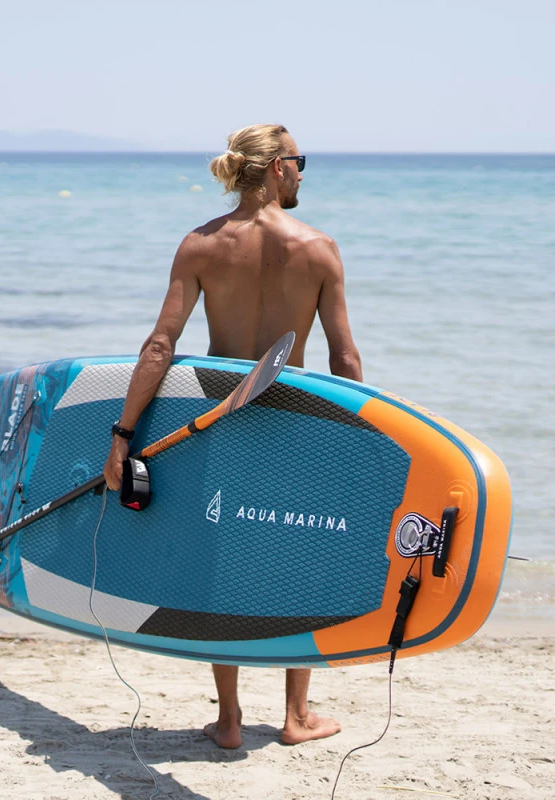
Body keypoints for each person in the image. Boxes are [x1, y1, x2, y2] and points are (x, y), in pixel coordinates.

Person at [103, 123, 362, 749]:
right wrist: (359, 445)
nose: (302, 171)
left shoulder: (200, 245)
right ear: (277, 168)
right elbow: (345, 359)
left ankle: (228, 720)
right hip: (296, 424)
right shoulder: (319, 248)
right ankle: (296, 717)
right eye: (299, 160)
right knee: (303, 558)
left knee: (221, 561)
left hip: (223, 424)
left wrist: (122, 434)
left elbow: (160, 346)